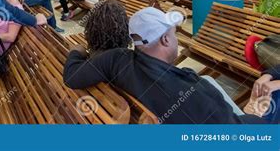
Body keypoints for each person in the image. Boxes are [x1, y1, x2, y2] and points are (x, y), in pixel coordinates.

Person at [63, 7, 266, 124]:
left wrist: (77, 51)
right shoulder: (190, 96)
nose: (176, 40)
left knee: (208, 79)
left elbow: (72, 77)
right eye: (173, 34)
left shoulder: (116, 59)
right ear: (165, 40)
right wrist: (254, 113)